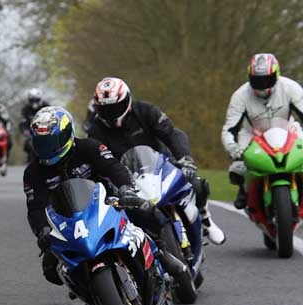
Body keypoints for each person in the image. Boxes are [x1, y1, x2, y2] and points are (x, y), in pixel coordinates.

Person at [23, 106, 187, 285]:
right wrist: (42, 230)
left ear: (67, 134)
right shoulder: (33, 172)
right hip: (69, 221)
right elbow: (35, 207)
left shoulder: (89, 147)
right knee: (50, 270)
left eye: (51, 142)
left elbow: (114, 168)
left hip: (107, 203)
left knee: (145, 212)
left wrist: (125, 188)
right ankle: (88, 288)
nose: (47, 148)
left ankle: (161, 253)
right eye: (42, 143)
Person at [88, 77, 226, 245]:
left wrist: (185, 158)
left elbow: (172, 133)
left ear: (126, 100)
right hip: (128, 179)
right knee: (127, 211)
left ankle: (205, 219)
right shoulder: (96, 130)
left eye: (115, 107)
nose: (111, 113)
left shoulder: (146, 111)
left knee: (196, 184)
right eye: (105, 109)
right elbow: (98, 159)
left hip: (160, 165)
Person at [221, 53, 303, 209]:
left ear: (276, 75)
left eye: (267, 79)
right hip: (252, 133)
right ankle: (244, 189)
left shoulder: (291, 88)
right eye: (257, 80)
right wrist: (232, 148)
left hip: (288, 129)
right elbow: (229, 129)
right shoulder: (240, 96)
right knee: (238, 166)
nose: (262, 85)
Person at [19, 88, 51, 161]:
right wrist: (24, 131)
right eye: (32, 100)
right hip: (31, 132)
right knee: (27, 144)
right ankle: (30, 158)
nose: (34, 102)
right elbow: (22, 122)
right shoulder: (25, 109)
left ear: (40, 99)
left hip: (46, 131)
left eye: (36, 100)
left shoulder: (47, 107)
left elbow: (53, 118)